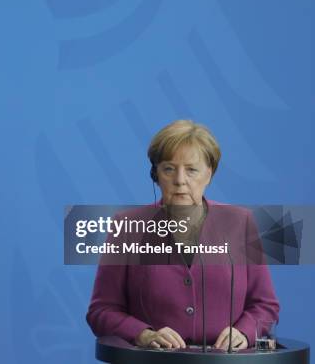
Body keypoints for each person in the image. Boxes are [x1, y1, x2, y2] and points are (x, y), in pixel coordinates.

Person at [86, 120, 279, 350]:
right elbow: (101, 311)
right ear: (155, 175)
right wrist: (142, 334)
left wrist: (244, 332)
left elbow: (265, 305)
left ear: (209, 173)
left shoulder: (241, 223)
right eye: (168, 168)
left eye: (191, 170)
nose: (179, 180)